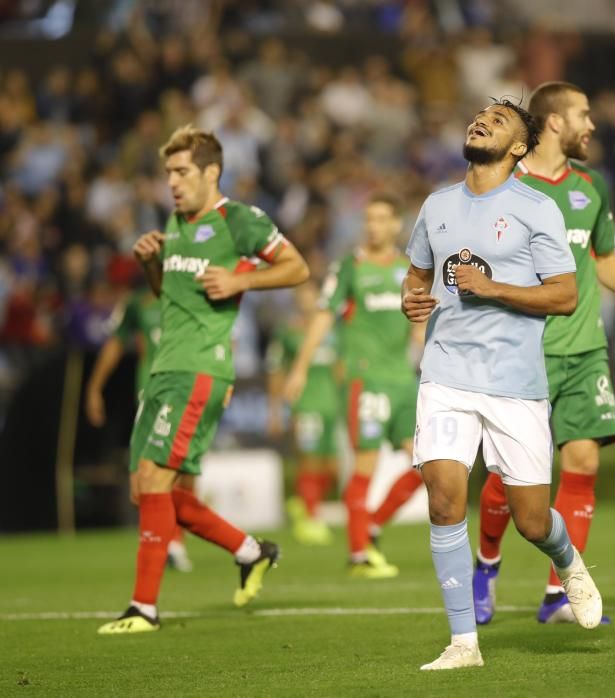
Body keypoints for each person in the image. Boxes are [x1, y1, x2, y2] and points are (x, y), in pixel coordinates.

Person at [402, 99, 603, 671]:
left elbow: (564, 295)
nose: (481, 120)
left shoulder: (535, 208)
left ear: (519, 146)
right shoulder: (437, 205)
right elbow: (416, 275)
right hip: (445, 374)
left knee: (531, 520)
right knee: (444, 497)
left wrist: (493, 290)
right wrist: (410, 298)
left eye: (499, 119)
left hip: (515, 383)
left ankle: (567, 560)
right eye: (479, 115)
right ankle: (464, 644)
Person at [97, 125, 310, 634]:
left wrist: (243, 279)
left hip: (200, 368)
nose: (171, 181)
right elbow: (166, 295)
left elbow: (296, 266)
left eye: (181, 171)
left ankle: (143, 608)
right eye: (168, 171)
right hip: (162, 369)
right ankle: (250, 550)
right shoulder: (174, 222)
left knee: (154, 483)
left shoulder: (238, 219)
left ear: (211, 172)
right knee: (146, 491)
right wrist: (152, 264)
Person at [472, 81, 615, 625]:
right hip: (522, 354)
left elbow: (601, 257)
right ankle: (486, 562)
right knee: (510, 480)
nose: (592, 125)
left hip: (584, 351)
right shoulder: (504, 185)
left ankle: (559, 591)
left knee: (583, 461)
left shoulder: (590, 186)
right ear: (554, 122)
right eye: (584, 114)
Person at [284, 195, 424, 579]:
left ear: (397, 225)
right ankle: (359, 553)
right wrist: (298, 368)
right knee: (365, 466)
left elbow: (419, 320)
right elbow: (323, 317)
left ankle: (372, 525)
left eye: (382, 219)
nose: (374, 226)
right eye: (370, 219)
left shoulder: (408, 269)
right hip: (367, 380)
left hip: (404, 382)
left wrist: (420, 343)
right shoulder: (349, 268)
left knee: (427, 465)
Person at [86, 286, 193, 572]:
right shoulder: (135, 303)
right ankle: (166, 541)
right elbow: (115, 344)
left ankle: (177, 539)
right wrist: (95, 388)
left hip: (187, 389)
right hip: (152, 391)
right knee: (153, 467)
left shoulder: (190, 294)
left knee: (185, 469)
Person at [266, 281, 341, 546]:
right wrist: (275, 410)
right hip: (305, 405)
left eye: (311, 296)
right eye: (302, 297)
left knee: (333, 468)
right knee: (310, 461)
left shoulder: (332, 332)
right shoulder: (288, 333)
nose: (307, 302)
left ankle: (302, 502)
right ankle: (309, 516)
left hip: (331, 405)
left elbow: (339, 368)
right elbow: (275, 372)